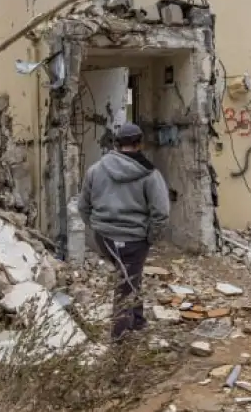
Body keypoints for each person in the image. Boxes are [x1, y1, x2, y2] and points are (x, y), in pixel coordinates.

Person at [77, 123, 170, 341]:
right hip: (135, 240)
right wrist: (151, 237)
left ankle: (137, 320)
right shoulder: (149, 173)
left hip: (105, 239)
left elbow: (83, 206)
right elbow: (161, 212)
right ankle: (118, 340)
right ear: (140, 144)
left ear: (117, 144)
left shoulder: (95, 170)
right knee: (126, 286)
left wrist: (96, 227)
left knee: (129, 277)